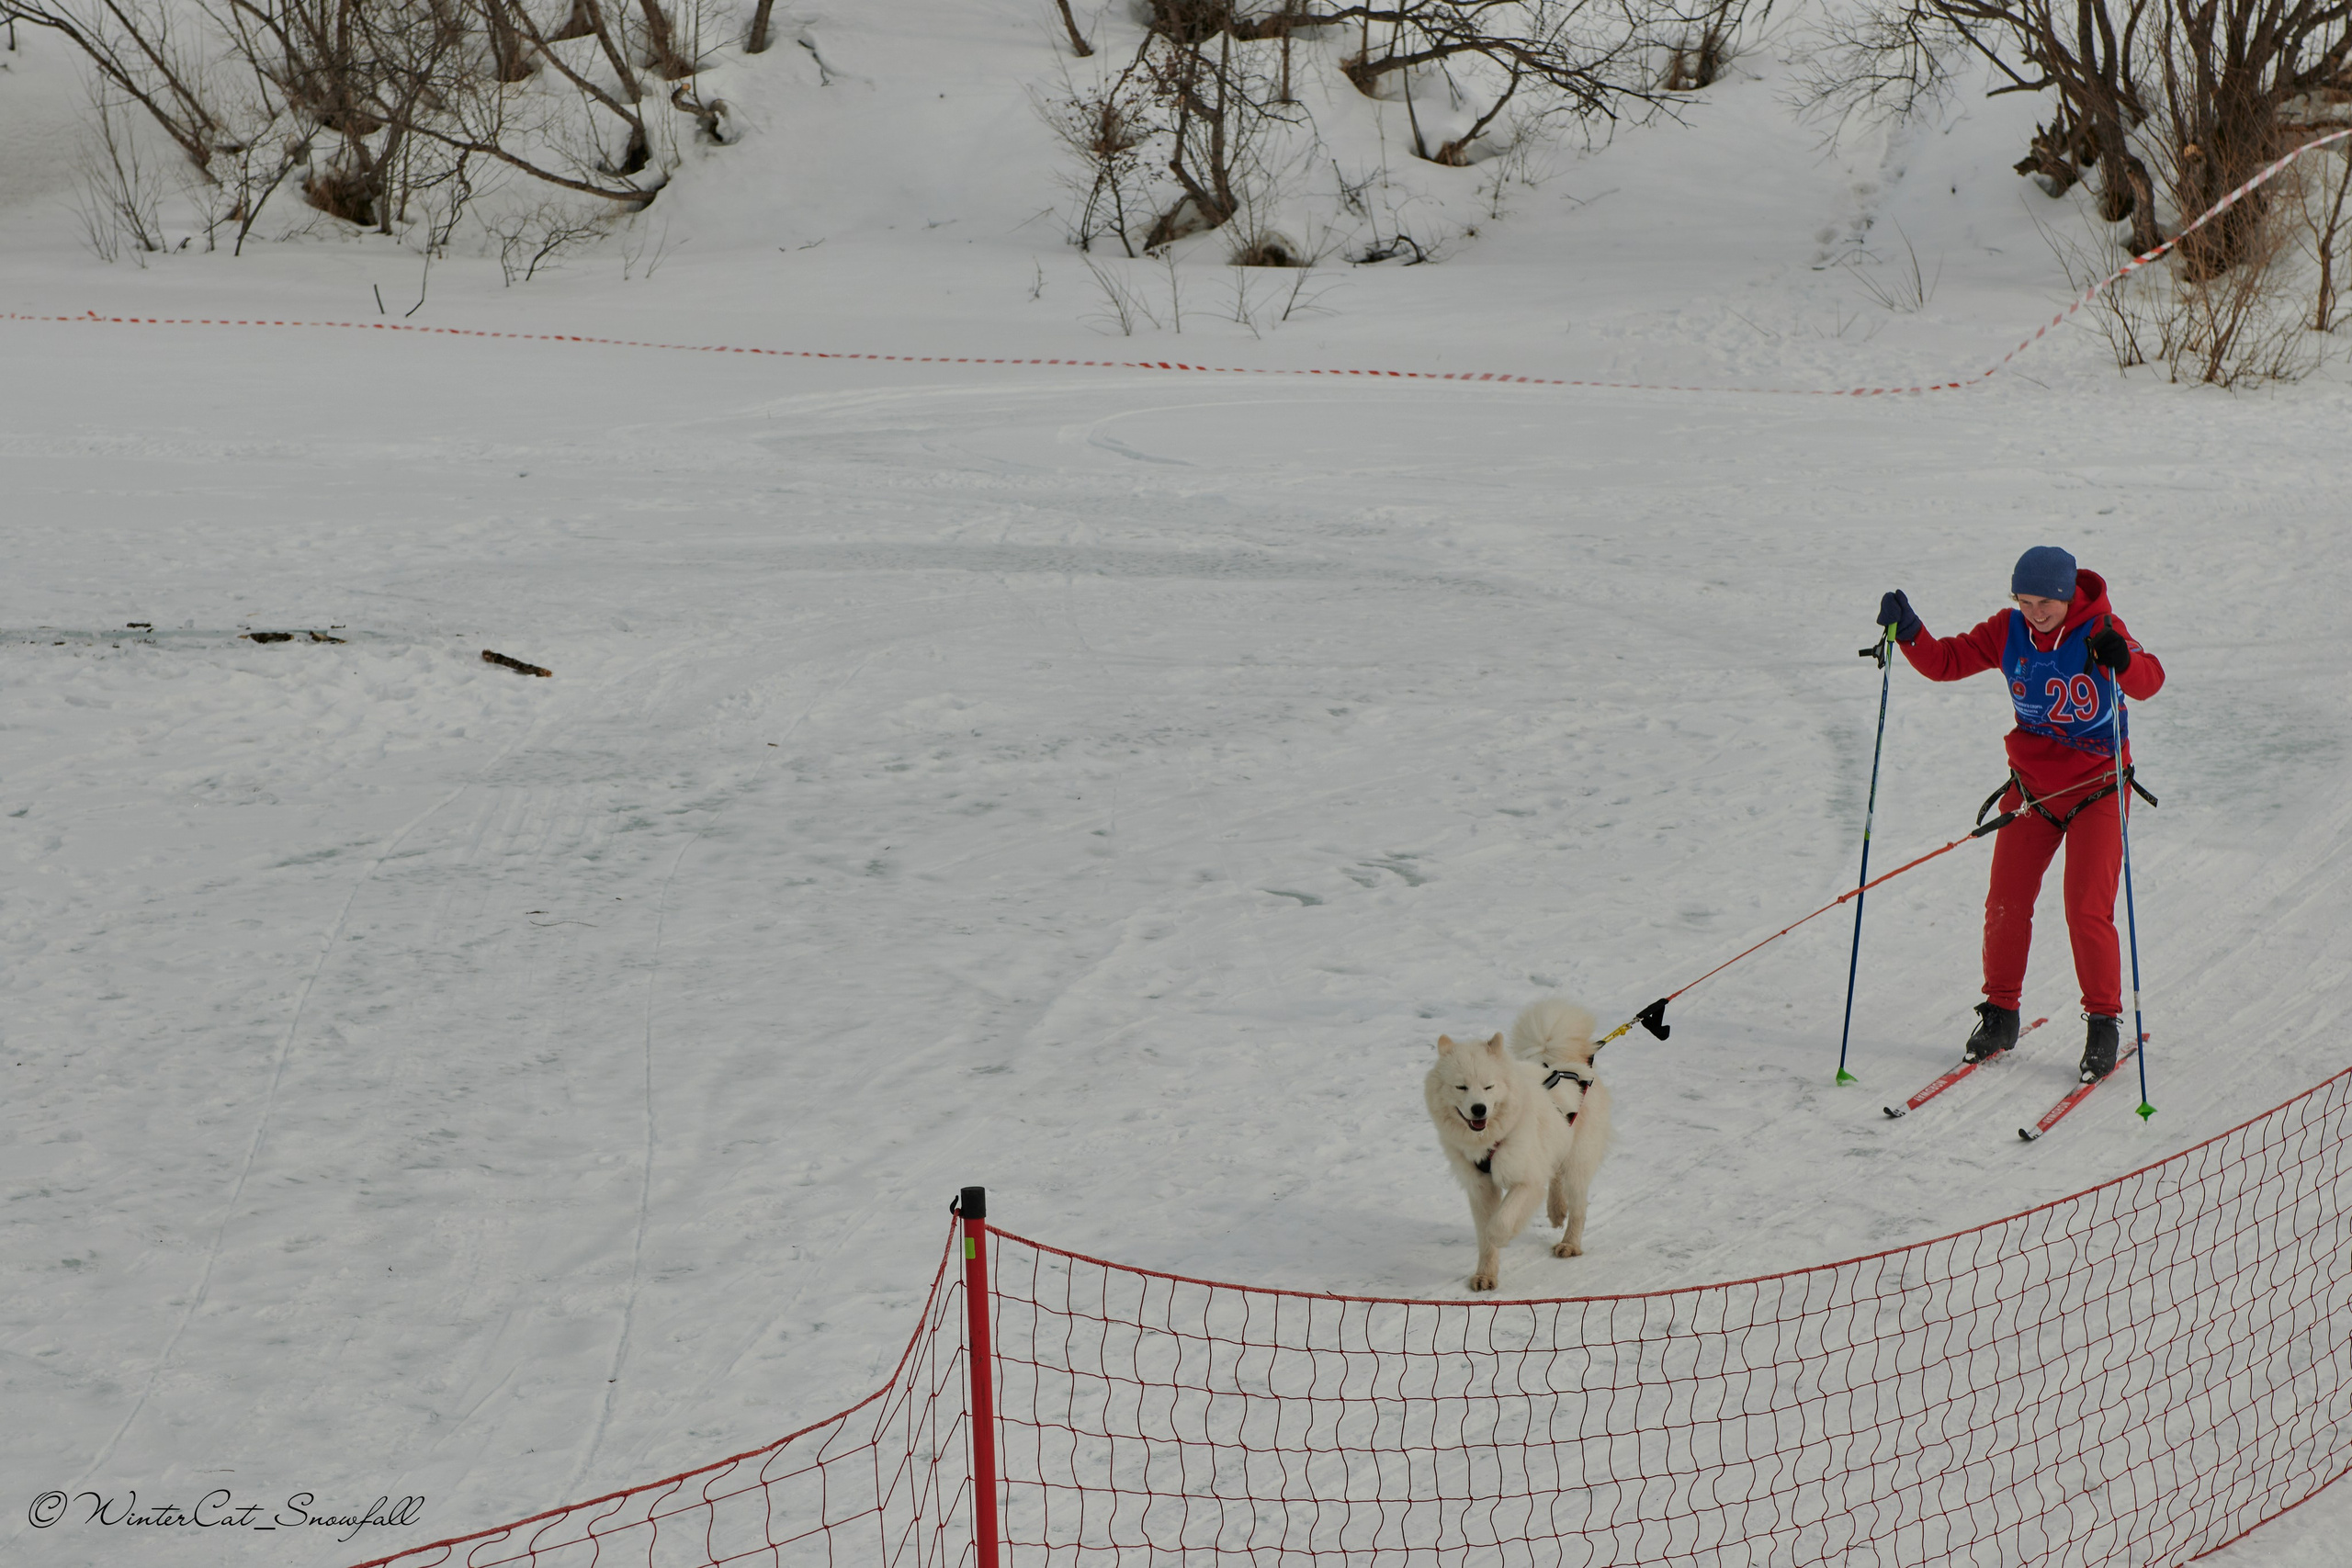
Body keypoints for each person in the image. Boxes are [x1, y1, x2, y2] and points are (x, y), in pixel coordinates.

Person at [1877, 546, 2165, 1082]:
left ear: (2067, 594)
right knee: (2006, 901)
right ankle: (2001, 1012)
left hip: (2097, 789)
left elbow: (2150, 681)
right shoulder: (2007, 631)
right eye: (2024, 600)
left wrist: (2122, 661)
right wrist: (1910, 630)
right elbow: (1945, 662)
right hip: (2032, 790)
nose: (2035, 612)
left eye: (2046, 603)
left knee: (2085, 907)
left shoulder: (2101, 628)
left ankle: (2103, 1021)